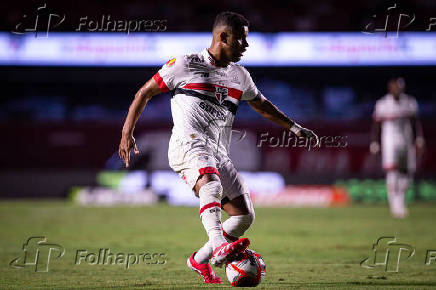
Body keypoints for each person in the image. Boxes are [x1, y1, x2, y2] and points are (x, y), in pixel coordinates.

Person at [119, 11, 318, 283]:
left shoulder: (240, 75)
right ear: (223, 37)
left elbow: (261, 104)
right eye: (241, 40)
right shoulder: (185, 64)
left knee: (243, 217)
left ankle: (198, 260)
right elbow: (144, 92)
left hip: (218, 152)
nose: (246, 46)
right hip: (186, 145)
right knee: (210, 183)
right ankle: (219, 245)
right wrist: (127, 132)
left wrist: (294, 127)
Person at [370, 77, 425, 218]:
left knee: (407, 173)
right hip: (389, 142)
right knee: (392, 172)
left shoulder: (410, 102)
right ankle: (395, 203)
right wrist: (374, 142)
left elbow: (415, 122)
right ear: (390, 88)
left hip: (406, 141)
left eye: (399, 87)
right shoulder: (383, 104)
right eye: (395, 87)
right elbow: (376, 125)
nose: (397, 90)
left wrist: (419, 138)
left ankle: (401, 200)